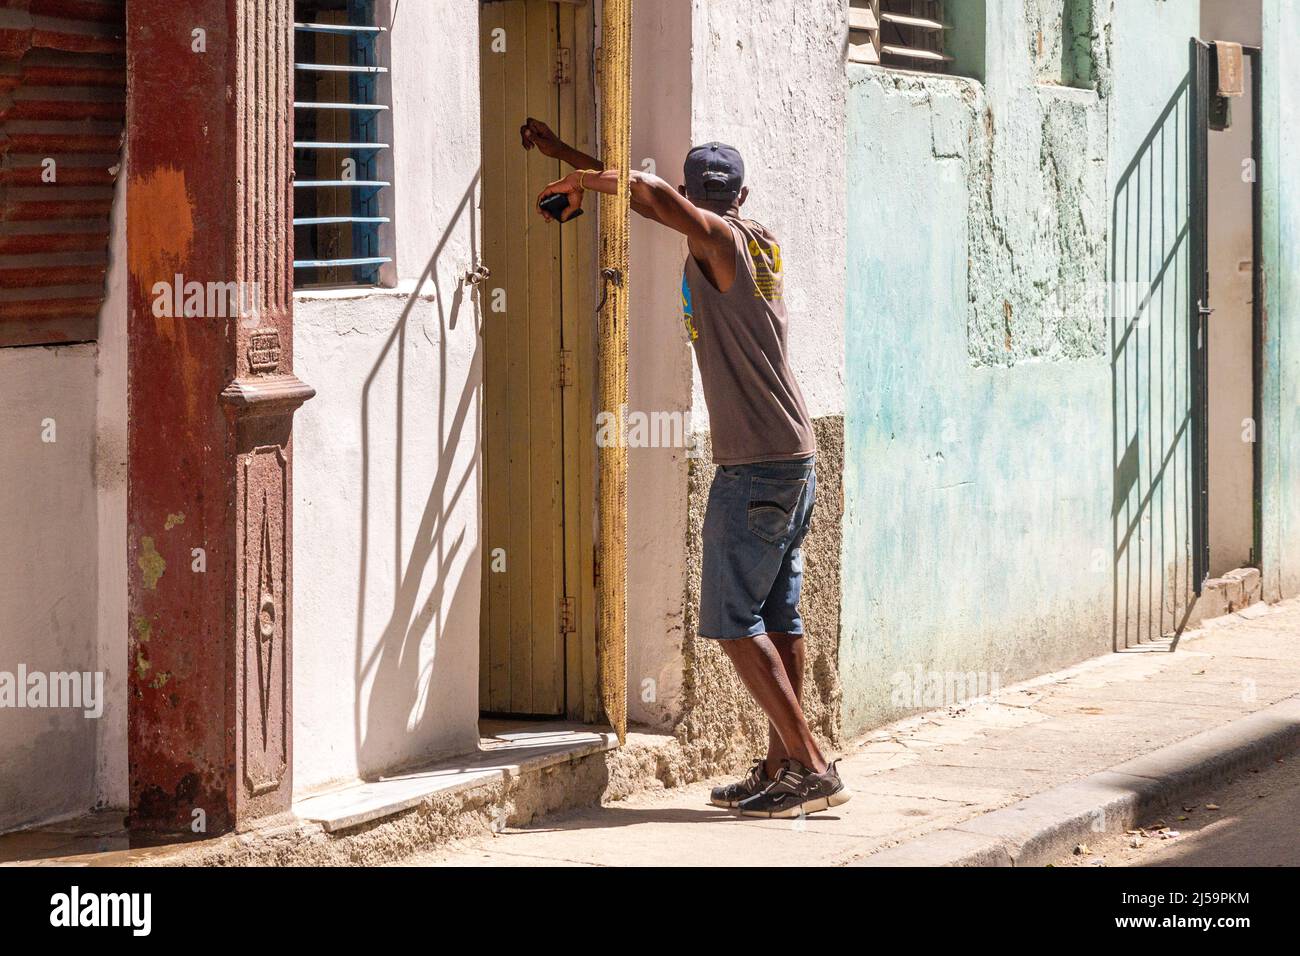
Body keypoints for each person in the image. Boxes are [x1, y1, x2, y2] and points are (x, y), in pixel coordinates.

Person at [521, 118, 850, 819]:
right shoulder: (755, 234)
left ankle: (813, 764)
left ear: (698, 201)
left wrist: (580, 178)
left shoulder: (721, 240)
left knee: (733, 623)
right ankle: (782, 767)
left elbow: (651, 195)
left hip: (758, 464)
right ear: (743, 191)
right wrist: (570, 155)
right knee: (778, 618)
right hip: (792, 455)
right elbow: (650, 194)